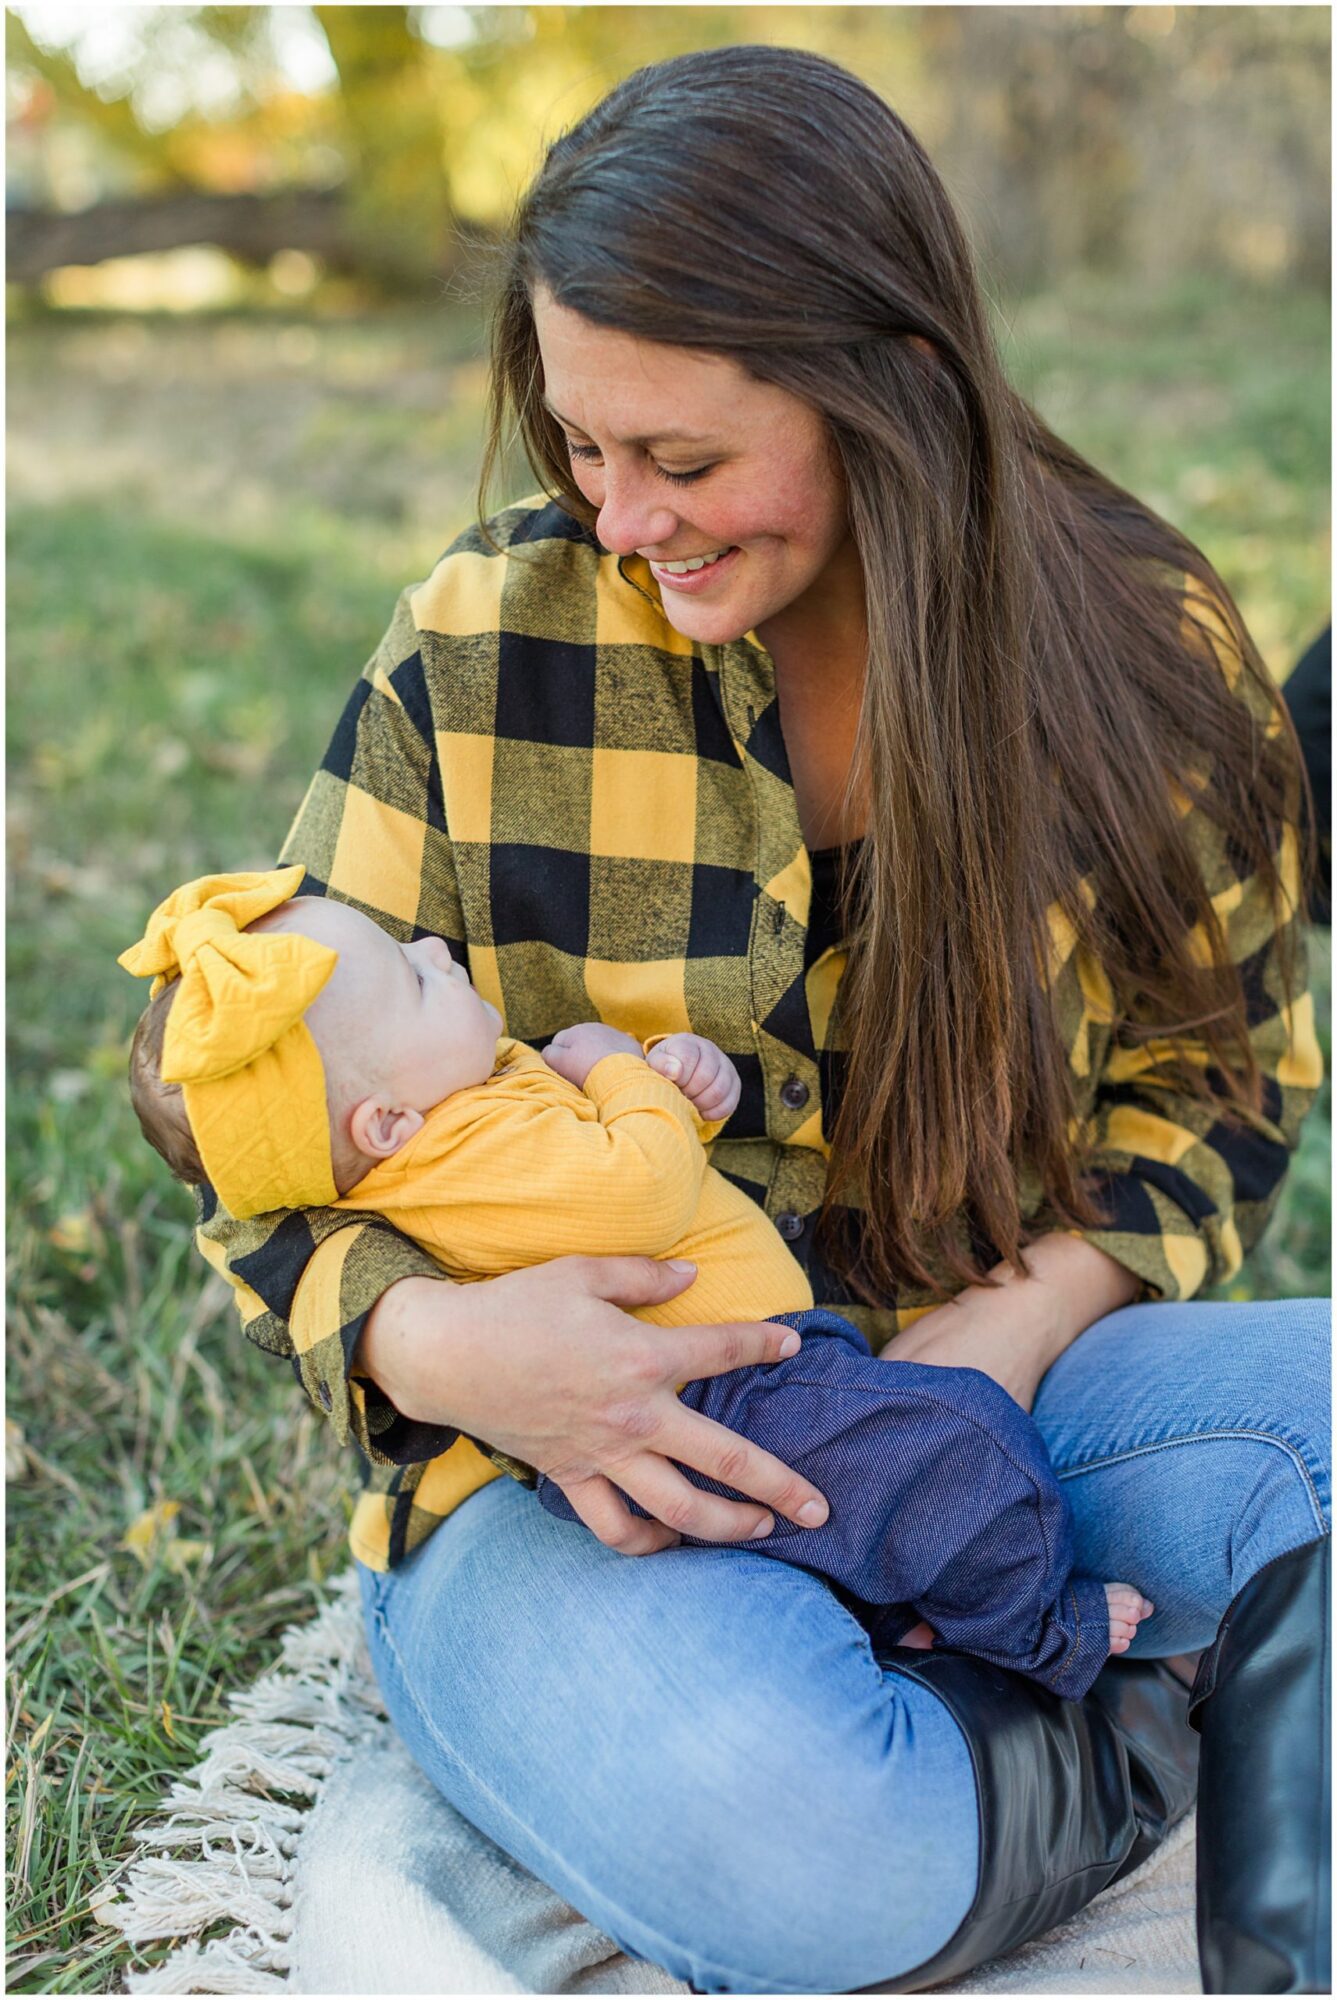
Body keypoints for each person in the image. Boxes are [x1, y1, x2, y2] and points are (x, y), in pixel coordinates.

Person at [187, 45, 1329, 1996]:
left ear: (884, 389)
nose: (619, 516)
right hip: (567, 1480)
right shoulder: (479, 650)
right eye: (579, 450)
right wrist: (454, 1341)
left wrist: (1024, 1315)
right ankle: (1138, 1720)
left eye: (683, 461)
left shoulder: (1133, 654)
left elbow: (1215, 1080)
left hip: (980, 1408)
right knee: (804, 1838)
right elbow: (262, 1108)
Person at [120, 868, 1152, 1698]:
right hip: (715, 1396)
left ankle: (910, 1623)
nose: (438, 950)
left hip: (731, 1380)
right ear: (383, 1124)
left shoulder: (449, 1116)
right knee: (957, 1442)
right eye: (417, 976)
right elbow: (642, 1191)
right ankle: (1043, 1633)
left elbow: (605, 1156)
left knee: (860, 1501)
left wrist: (677, 1086)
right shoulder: (467, 1146)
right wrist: (622, 1070)